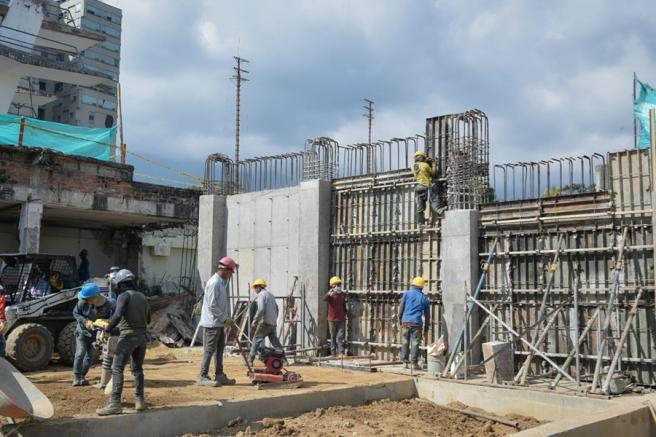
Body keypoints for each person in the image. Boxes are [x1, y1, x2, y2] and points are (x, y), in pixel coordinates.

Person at [96, 269, 150, 416]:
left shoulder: (123, 296)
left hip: (128, 338)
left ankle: (114, 404)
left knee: (117, 368)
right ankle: (140, 401)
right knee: (137, 369)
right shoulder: (143, 297)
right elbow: (148, 319)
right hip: (142, 338)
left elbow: (118, 315)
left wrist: (107, 330)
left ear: (120, 284)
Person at [197, 257, 238, 387]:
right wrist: (224, 318)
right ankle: (203, 376)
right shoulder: (214, 283)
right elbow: (212, 305)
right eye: (231, 272)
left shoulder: (220, 283)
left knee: (219, 350)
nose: (231, 275)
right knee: (209, 350)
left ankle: (219, 375)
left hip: (219, 323)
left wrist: (225, 319)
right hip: (212, 323)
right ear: (225, 270)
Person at [72, 283, 115, 386]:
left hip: (97, 334)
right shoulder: (82, 302)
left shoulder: (109, 304)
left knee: (90, 355)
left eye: (88, 298)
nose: (86, 300)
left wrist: (108, 321)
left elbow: (117, 313)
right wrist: (85, 321)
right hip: (82, 331)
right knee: (80, 353)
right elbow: (75, 313)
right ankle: (77, 377)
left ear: (96, 297)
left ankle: (82, 375)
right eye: (85, 298)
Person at [247, 278, 283, 366]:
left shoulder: (261, 295)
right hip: (273, 323)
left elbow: (261, 309)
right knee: (275, 342)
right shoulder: (271, 295)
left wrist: (255, 320)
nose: (255, 290)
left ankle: (250, 360)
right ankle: (284, 358)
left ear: (259, 287)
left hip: (265, 323)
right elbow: (277, 309)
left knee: (256, 339)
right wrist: (274, 319)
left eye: (255, 288)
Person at [398, 277, 431, 370]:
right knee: (415, 343)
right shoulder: (423, 298)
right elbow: (427, 315)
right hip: (416, 323)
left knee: (405, 341)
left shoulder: (406, 294)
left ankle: (405, 363)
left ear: (413, 285)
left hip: (405, 321)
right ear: (421, 287)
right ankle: (414, 363)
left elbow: (401, 307)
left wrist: (400, 318)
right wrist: (427, 327)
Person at [411, 151, 443, 226]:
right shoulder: (425, 165)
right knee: (433, 198)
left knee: (420, 206)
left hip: (418, 187)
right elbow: (433, 173)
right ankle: (439, 209)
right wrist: (434, 164)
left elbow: (417, 174)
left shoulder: (413, 166)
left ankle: (420, 223)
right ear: (422, 157)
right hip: (426, 185)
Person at [324, 276, 347, 356]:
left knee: (340, 337)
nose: (339, 286)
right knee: (333, 337)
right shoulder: (331, 294)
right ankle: (333, 353)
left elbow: (343, 305)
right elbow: (324, 299)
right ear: (333, 286)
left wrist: (345, 313)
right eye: (337, 284)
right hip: (332, 319)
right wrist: (329, 293)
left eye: (340, 284)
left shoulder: (342, 294)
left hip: (341, 318)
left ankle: (341, 352)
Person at [0, 280, 7, 359]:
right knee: (1, 340)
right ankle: (1, 356)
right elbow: (1, 310)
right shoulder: (2, 298)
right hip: (1, 321)